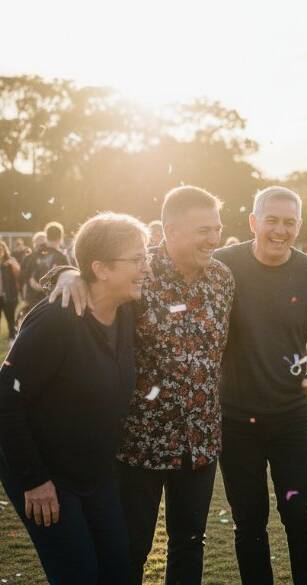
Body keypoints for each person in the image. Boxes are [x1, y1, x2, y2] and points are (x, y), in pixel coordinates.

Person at [48, 186, 236, 585]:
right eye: (204, 230)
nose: (214, 239)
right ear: (170, 230)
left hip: (200, 439)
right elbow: (94, 271)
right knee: (131, 546)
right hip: (139, 440)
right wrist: (65, 272)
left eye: (217, 229)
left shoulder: (222, 278)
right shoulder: (137, 271)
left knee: (190, 542)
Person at [0, 212, 150, 584]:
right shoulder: (58, 319)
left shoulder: (125, 310)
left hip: (96, 471)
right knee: (78, 574)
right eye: (137, 260)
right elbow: (6, 397)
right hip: (46, 474)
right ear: (101, 269)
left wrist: (65, 269)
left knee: (119, 569)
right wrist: (34, 480)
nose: (146, 268)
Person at [214, 186, 307, 585]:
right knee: (249, 522)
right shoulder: (222, 265)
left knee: (301, 517)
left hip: (291, 418)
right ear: (253, 222)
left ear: (299, 226)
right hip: (235, 420)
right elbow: (166, 260)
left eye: (289, 222)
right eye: (271, 220)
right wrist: (66, 273)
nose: (280, 230)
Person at [21, 223, 68, 313]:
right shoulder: (61, 257)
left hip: (34, 300)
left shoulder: (33, 255)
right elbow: (67, 278)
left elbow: (27, 278)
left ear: (46, 236)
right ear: (61, 238)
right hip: (53, 300)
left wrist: (26, 296)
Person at [0, 241, 21, 338]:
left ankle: (12, 339)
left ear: (5, 250)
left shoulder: (11, 261)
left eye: (1, 249)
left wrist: (13, 265)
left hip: (9, 295)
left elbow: (19, 274)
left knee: (11, 319)